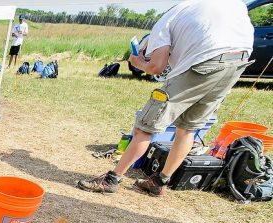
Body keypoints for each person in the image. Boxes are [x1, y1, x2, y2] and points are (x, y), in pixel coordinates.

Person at [78, 0, 253, 197]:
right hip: (237, 65)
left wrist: (138, 62)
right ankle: (159, 181)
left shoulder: (168, 18)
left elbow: (156, 67)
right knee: (188, 128)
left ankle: (112, 179)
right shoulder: (232, 4)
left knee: (146, 125)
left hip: (204, 63)